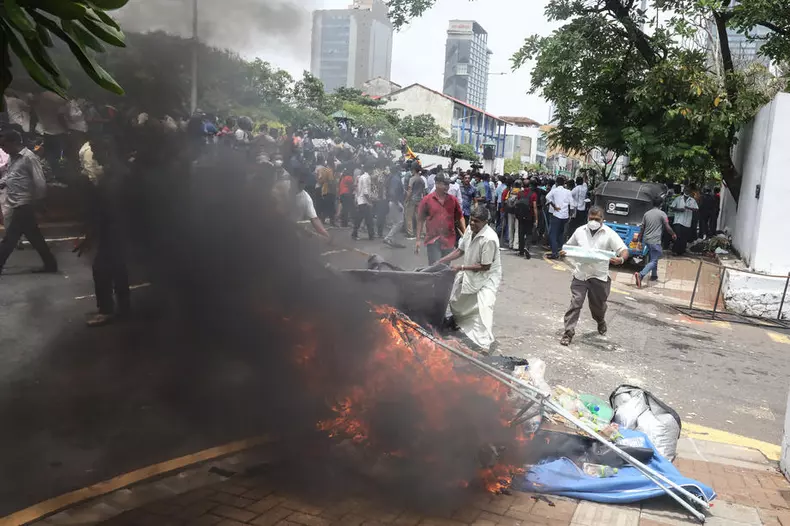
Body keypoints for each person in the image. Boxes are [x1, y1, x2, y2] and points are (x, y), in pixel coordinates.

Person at [78, 135, 131, 327]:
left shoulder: (113, 178)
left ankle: (107, 310)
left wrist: (91, 234)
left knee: (102, 268)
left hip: (114, 231)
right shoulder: (116, 172)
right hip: (117, 230)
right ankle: (123, 308)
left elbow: (108, 210)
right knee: (118, 270)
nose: (94, 155)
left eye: (96, 151)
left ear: (107, 151)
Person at [560, 206, 629, 346]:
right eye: (591, 218)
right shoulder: (580, 231)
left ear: (603, 219)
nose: (594, 221)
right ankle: (568, 332)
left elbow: (623, 250)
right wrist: (564, 253)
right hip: (581, 274)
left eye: (597, 219)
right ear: (587, 218)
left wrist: (621, 259)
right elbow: (569, 247)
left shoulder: (609, 234)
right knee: (576, 302)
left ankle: (600, 320)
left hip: (599, 276)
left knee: (597, 307)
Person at [438, 206, 502, 352]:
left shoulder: (489, 239)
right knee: (459, 300)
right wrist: (442, 260)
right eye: (471, 220)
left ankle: (484, 343)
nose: (472, 223)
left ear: (485, 222)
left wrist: (460, 268)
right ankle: (458, 321)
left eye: (476, 221)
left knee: (485, 306)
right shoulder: (469, 229)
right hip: (472, 272)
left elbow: (485, 266)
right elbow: (460, 250)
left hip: (488, 276)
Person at [0, 130, 57, 275]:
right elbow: (11, 175)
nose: (3, 148)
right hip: (15, 202)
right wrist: (2, 183)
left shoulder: (29, 158)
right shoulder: (13, 157)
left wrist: (38, 202)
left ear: (14, 143)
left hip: (25, 203)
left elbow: (40, 182)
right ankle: (51, 264)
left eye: (4, 145)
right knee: (34, 237)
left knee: (10, 238)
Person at [415, 174, 465, 265]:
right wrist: (418, 240)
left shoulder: (453, 200)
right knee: (435, 267)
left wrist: (465, 234)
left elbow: (460, 217)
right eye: (444, 184)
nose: (447, 187)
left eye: (448, 184)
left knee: (445, 268)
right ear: (437, 184)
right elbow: (420, 220)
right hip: (433, 240)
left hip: (449, 240)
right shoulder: (427, 200)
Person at [635, 196, 676, 288]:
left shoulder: (646, 214)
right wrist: (673, 234)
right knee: (655, 258)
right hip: (655, 240)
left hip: (646, 239)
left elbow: (642, 228)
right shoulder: (662, 214)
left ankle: (654, 275)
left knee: (653, 256)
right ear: (661, 204)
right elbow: (667, 227)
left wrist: (639, 240)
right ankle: (641, 275)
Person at [545, 175, 573, 259]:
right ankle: (560, 250)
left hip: (557, 215)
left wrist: (554, 206)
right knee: (561, 233)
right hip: (565, 216)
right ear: (564, 183)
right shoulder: (568, 192)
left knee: (552, 234)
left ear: (556, 183)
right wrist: (570, 215)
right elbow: (572, 205)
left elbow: (547, 197)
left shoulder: (555, 190)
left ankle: (554, 253)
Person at [514, 179, 539, 259]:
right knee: (529, 233)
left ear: (522, 185)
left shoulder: (519, 193)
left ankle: (521, 251)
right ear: (530, 185)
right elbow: (534, 207)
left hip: (521, 216)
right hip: (529, 216)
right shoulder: (533, 194)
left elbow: (517, 204)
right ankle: (527, 247)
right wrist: (536, 218)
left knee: (521, 233)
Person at [670, 186, 698, 255]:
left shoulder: (692, 200)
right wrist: (679, 209)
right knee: (678, 235)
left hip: (687, 222)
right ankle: (675, 250)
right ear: (684, 190)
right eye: (686, 190)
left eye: (688, 190)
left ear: (690, 191)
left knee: (684, 237)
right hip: (678, 220)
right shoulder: (678, 199)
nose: (687, 191)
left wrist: (689, 208)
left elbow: (696, 209)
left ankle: (681, 251)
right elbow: (672, 207)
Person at [383, 165, 406, 249]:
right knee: (399, 222)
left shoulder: (391, 178)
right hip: (395, 202)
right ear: (397, 170)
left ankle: (393, 240)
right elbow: (393, 192)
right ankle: (388, 238)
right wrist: (397, 204)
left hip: (391, 202)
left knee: (395, 222)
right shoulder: (396, 179)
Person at [352, 162, 375, 241]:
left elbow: (359, 189)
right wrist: (370, 202)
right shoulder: (366, 177)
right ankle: (370, 235)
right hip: (364, 201)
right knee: (368, 219)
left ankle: (356, 233)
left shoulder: (362, 177)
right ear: (370, 169)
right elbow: (365, 192)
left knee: (361, 219)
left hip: (361, 201)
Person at [404, 165, 425, 239]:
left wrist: (406, 200)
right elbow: (423, 191)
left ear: (414, 170)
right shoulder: (422, 180)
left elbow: (410, 191)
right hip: (419, 200)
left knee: (409, 217)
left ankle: (410, 233)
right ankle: (422, 233)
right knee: (419, 217)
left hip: (412, 200)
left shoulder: (412, 179)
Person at [316, 154, 337, 226]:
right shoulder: (329, 170)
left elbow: (319, 179)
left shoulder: (323, 169)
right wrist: (334, 189)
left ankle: (323, 220)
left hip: (324, 189)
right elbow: (331, 182)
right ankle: (332, 222)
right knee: (331, 206)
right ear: (331, 162)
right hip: (330, 190)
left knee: (325, 206)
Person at [371, 159, 388, 238]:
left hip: (374, 196)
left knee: (372, 214)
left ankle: (371, 230)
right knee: (381, 215)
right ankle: (379, 232)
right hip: (380, 197)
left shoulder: (374, 172)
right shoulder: (380, 173)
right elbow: (381, 185)